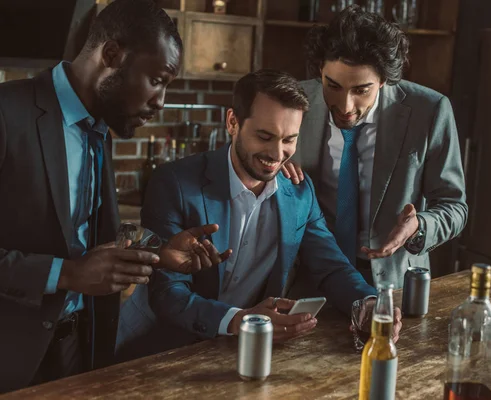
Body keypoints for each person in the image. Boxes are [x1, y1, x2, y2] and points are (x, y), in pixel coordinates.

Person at [0, 0, 227, 393]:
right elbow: (76, 264)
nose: (160, 102)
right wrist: (68, 274)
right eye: (157, 79)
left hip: (81, 351)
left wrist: (157, 254)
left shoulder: (101, 126)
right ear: (111, 55)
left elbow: (82, 240)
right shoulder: (7, 113)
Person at [119, 69, 401, 358]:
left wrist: (368, 302)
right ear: (232, 122)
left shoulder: (300, 193)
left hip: (241, 352)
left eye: (289, 139)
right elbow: (167, 293)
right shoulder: (174, 184)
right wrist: (238, 320)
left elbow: (331, 267)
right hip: (156, 349)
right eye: (265, 136)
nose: (277, 154)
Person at [282, 5, 467, 288]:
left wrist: (418, 227)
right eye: (332, 85)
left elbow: (454, 207)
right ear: (320, 69)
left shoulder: (429, 111)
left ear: (383, 80)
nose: (345, 106)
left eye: (361, 90)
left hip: (391, 279)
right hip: (308, 273)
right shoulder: (296, 101)